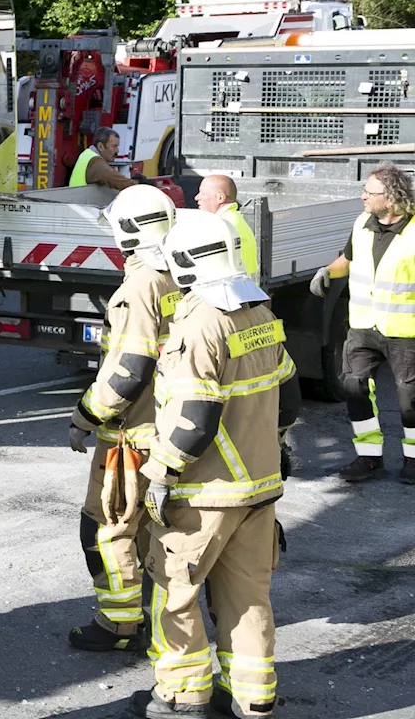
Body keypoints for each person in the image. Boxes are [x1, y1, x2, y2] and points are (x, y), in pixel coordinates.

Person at [131, 213, 300, 718]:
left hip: (207, 492)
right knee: (248, 595)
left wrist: (161, 473)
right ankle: (253, 695)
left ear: (185, 262)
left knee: (175, 590)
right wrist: (273, 446)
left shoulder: (201, 320)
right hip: (259, 486)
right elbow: (287, 398)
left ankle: (183, 695)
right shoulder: (260, 311)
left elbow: (195, 419)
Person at [68, 185, 180, 653]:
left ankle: (119, 625)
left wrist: (84, 416)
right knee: (157, 534)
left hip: (132, 434)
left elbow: (128, 370)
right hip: (171, 428)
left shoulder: (139, 286)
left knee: (104, 525)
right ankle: (162, 625)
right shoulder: (183, 273)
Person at [309, 163, 415, 483]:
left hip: (404, 330)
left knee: (410, 398)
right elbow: (349, 259)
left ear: (392, 197)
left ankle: (413, 461)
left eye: (370, 193)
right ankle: (368, 458)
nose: (363, 197)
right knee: (354, 388)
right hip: (362, 326)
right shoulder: (362, 223)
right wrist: (328, 270)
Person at [196, 175, 259, 279]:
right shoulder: (234, 218)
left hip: (232, 290)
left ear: (220, 198)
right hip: (245, 288)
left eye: (202, 193)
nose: (197, 197)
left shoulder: (221, 224)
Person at [70, 127, 150, 191]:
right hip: (81, 206)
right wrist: (141, 187)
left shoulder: (87, 155)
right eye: (114, 146)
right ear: (100, 146)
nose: (117, 150)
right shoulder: (95, 162)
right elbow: (116, 180)